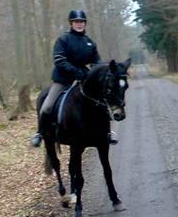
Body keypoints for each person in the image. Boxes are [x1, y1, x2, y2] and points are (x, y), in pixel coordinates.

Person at [30, 9, 117, 147]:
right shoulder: (63, 40)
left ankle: (107, 133)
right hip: (63, 79)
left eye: (82, 21)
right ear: (71, 23)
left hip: (84, 78)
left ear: (85, 23)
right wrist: (75, 71)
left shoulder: (89, 42)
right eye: (76, 21)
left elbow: (96, 62)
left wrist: (102, 70)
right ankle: (40, 133)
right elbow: (59, 60)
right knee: (47, 106)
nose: (79, 24)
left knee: (102, 103)